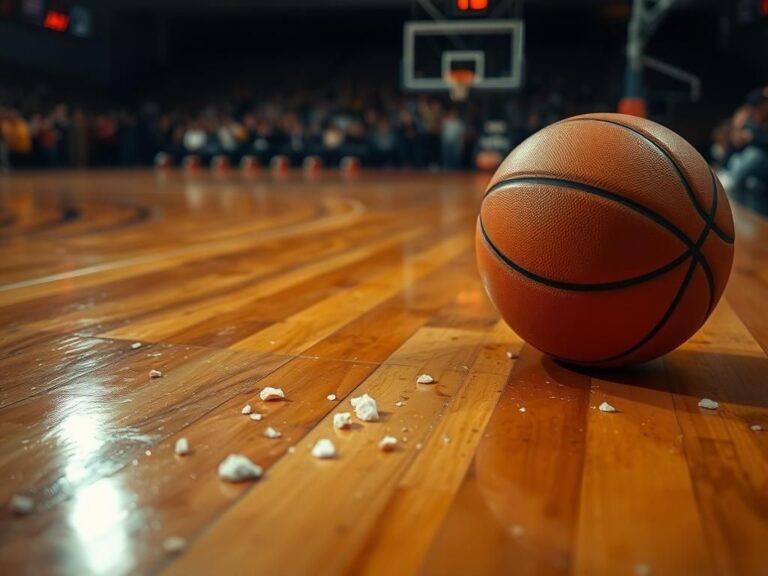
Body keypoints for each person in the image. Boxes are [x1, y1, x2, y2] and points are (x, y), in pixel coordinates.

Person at [726, 89, 768, 214]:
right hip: (750, 173)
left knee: (755, 155)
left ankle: (730, 182)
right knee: (740, 160)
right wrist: (738, 134)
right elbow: (734, 147)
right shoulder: (749, 123)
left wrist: (752, 138)